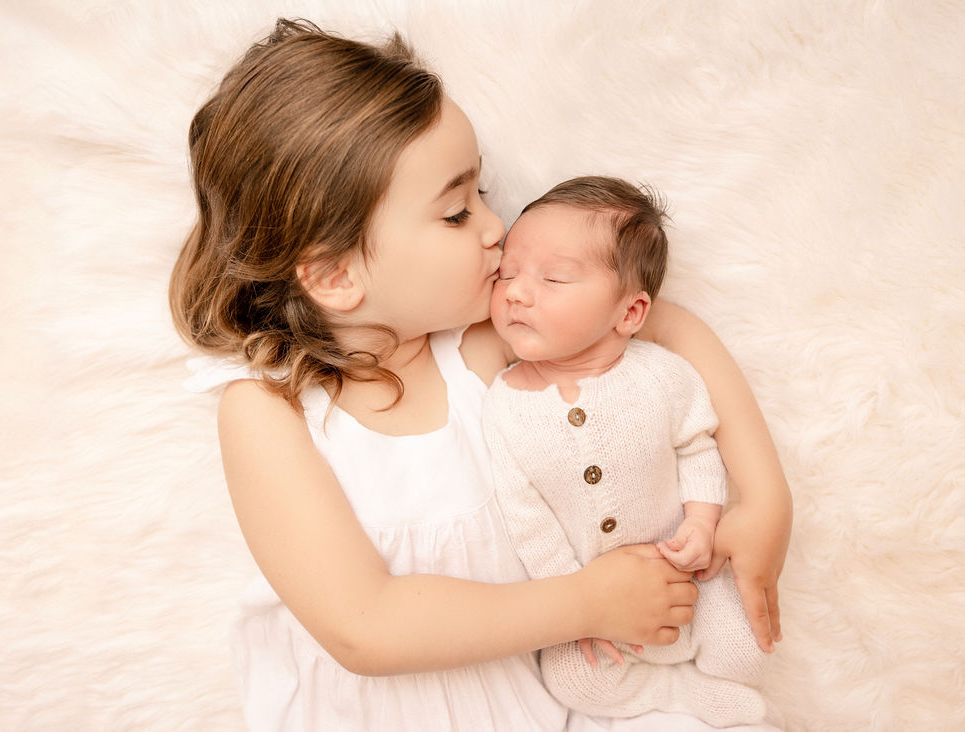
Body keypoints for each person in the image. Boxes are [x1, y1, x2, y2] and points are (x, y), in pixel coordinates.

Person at [170, 18, 791, 732]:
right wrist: (588, 603)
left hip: (548, 707)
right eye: (457, 211)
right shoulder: (268, 412)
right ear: (337, 274)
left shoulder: (482, 346)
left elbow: (669, 325)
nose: (498, 227)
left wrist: (765, 498)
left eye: (485, 193)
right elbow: (365, 626)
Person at [483, 176, 771, 727]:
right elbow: (525, 514)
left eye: (553, 278)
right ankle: (673, 700)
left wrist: (703, 523)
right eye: (508, 273)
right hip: (596, 607)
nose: (517, 291)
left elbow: (697, 447)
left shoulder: (662, 376)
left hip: (689, 576)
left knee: (746, 645)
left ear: (630, 313)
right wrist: (576, 601)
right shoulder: (504, 404)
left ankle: (711, 688)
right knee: (573, 679)